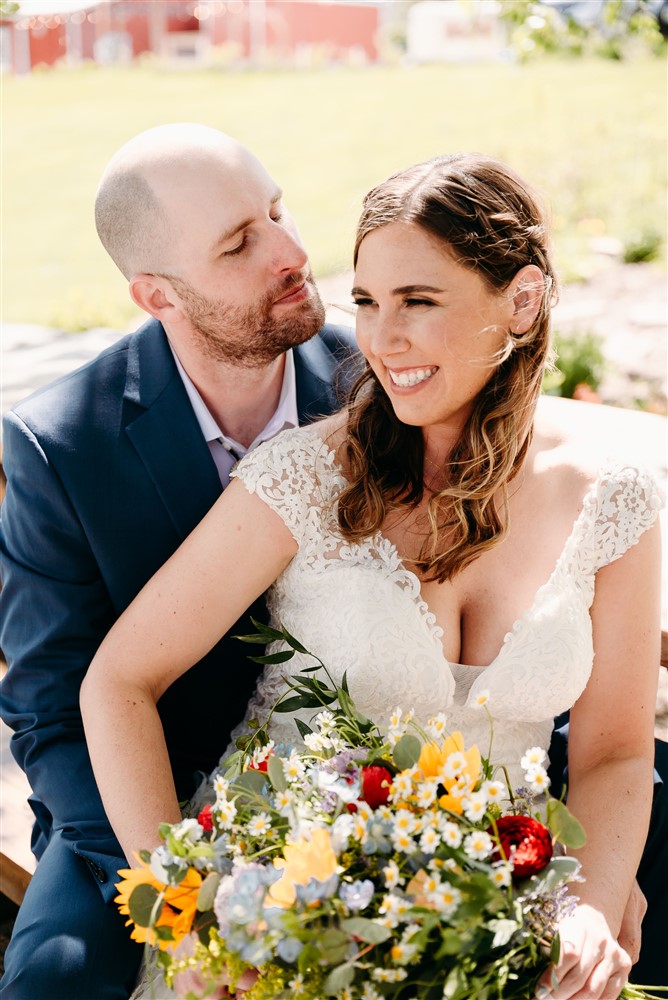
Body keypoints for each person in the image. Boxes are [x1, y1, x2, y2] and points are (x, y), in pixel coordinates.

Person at [80, 152, 666, 998]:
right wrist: (190, 914)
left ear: (524, 302)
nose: (381, 340)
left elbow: (613, 753)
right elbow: (118, 682)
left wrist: (590, 899)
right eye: (366, 302)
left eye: (418, 302)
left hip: (498, 921)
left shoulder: (614, 500)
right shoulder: (306, 478)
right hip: (279, 925)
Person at [0, 123, 356, 1000]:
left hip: (358, 784)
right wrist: (175, 884)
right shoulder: (59, 446)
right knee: (54, 984)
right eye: (240, 243)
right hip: (142, 799)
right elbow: (52, 710)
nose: (293, 251)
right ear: (156, 295)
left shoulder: (375, 383)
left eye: (277, 211)